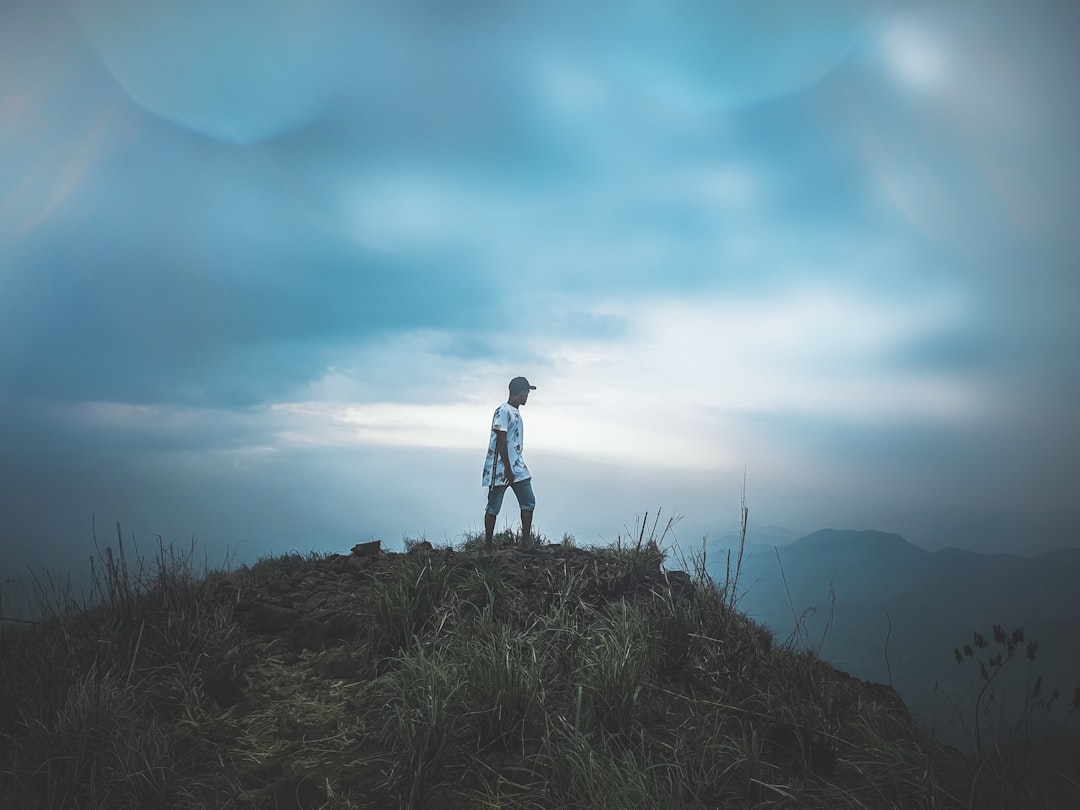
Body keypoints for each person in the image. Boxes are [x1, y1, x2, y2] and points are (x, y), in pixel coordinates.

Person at [482, 376, 537, 552]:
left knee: (528, 501)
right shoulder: (503, 411)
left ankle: (526, 542)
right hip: (501, 468)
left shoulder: (515, 412)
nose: (527, 396)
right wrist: (507, 468)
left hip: (517, 466)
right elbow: (501, 439)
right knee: (494, 505)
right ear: (521, 392)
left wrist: (513, 467)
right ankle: (488, 545)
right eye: (527, 392)